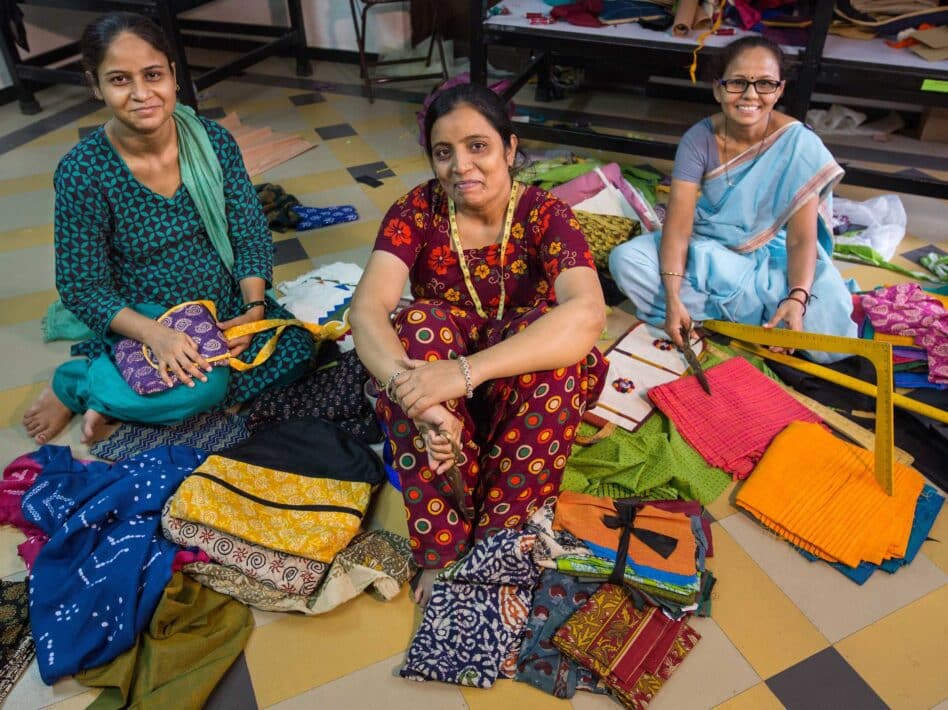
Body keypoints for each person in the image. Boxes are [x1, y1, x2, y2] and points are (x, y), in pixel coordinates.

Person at [350, 82, 607, 605]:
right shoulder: (416, 211)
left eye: (478, 146)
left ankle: (499, 542)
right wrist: (412, 389)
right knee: (416, 325)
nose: (461, 166)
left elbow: (588, 312)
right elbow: (367, 309)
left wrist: (465, 373)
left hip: (522, 386)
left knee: (556, 348)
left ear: (510, 149)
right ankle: (442, 549)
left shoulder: (545, 214)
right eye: (443, 152)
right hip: (444, 397)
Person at [22, 12, 314, 445]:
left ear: (174, 76)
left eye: (153, 74)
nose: (142, 94)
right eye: (120, 80)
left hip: (224, 307)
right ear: (95, 85)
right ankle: (78, 384)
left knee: (297, 350)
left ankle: (125, 392)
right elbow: (82, 287)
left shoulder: (213, 143)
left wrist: (251, 310)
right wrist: (158, 335)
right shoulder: (83, 172)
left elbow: (249, 233)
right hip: (145, 316)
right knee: (210, 385)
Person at [609, 36, 856, 362]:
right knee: (626, 261)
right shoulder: (698, 140)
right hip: (708, 251)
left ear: (780, 90)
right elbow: (679, 228)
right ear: (718, 89)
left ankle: (728, 318)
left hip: (771, 258)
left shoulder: (799, 144)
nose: (751, 95)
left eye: (765, 84)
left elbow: (800, 240)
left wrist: (796, 298)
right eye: (738, 82)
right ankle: (748, 320)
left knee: (827, 326)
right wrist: (672, 297)